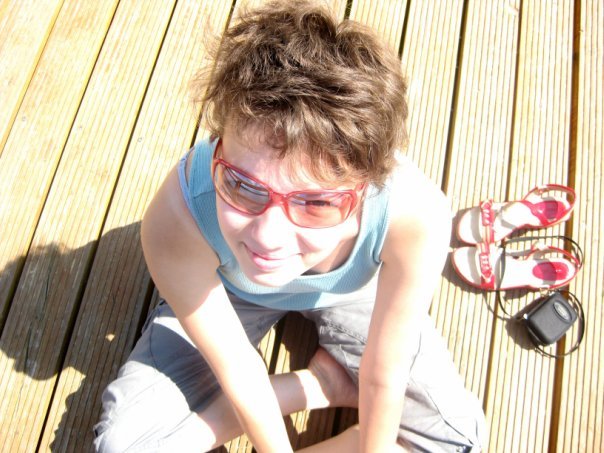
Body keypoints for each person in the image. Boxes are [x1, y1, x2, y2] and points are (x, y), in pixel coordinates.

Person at [93, 1, 487, 451]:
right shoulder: (179, 217)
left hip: (354, 292)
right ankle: (323, 384)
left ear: (368, 189)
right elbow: (237, 369)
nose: (268, 237)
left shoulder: (414, 215)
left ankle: (328, 385)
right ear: (218, 147)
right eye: (242, 185)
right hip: (228, 286)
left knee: (457, 441)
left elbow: (385, 372)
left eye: (316, 203)